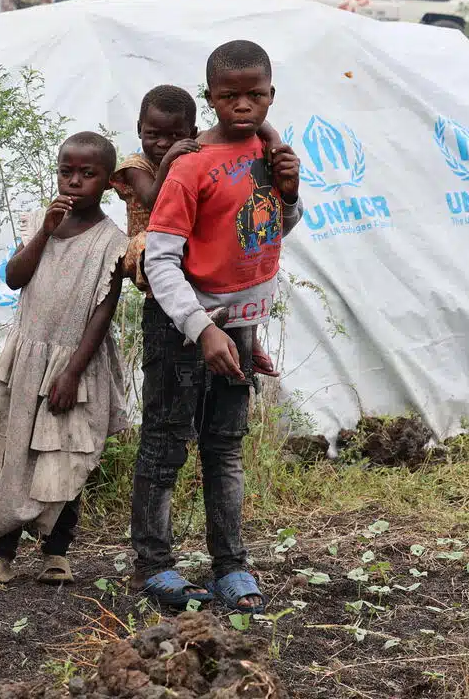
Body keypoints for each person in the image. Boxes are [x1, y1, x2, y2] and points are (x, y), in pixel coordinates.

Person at [131, 40, 302, 613]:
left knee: (225, 446)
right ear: (211, 99)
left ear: (271, 95)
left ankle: (231, 564)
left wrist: (292, 191)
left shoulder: (269, 152)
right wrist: (202, 330)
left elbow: (269, 231)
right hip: (182, 324)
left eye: (256, 95)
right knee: (165, 444)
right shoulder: (189, 166)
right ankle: (154, 565)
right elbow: (159, 259)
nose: (244, 105)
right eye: (230, 96)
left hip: (240, 324)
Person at [0, 131, 128, 587]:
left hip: (74, 363)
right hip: (26, 359)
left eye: (87, 174)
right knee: (11, 451)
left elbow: (102, 313)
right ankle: (0, 554)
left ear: (108, 181)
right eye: (66, 172)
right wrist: (44, 231)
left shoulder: (111, 242)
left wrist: (72, 372)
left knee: (63, 455)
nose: (74, 182)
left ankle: (57, 552)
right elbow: (16, 278)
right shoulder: (39, 223)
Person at [111, 85, 281, 376]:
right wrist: (171, 162)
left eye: (175, 136)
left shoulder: (198, 152)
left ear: (192, 133)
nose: (163, 143)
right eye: (153, 134)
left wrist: (273, 139)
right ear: (139, 129)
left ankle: (248, 338)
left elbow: (243, 120)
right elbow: (153, 198)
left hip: (185, 250)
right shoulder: (135, 166)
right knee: (153, 246)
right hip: (146, 251)